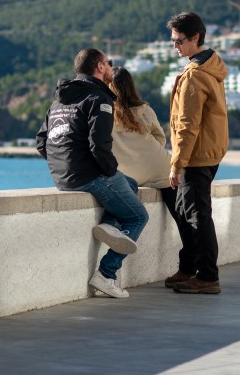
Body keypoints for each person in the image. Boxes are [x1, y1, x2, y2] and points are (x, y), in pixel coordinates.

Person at [36, 48, 149, 299]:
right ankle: (106, 275)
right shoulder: (99, 99)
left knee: (129, 184)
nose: (111, 67)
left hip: (62, 178)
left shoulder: (58, 101)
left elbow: (41, 142)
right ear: (99, 67)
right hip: (90, 176)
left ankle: (109, 225)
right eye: (109, 63)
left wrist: (64, 164)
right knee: (138, 217)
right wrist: (109, 171)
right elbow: (99, 145)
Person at [107, 67, 190, 286]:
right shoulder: (144, 109)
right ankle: (192, 264)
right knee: (182, 218)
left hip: (128, 174)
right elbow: (160, 138)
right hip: (161, 169)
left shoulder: (105, 111)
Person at [166, 12, 228, 294]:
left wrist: (177, 164)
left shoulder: (195, 75)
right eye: (173, 41)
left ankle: (207, 277)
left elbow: (187, 125)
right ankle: (189, 267)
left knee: (197, 216)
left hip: (195, 156)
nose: (175, 47)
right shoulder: (211, 67)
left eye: (179, 41)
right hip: (208, 153)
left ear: (196, 38)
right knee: (185, 210)